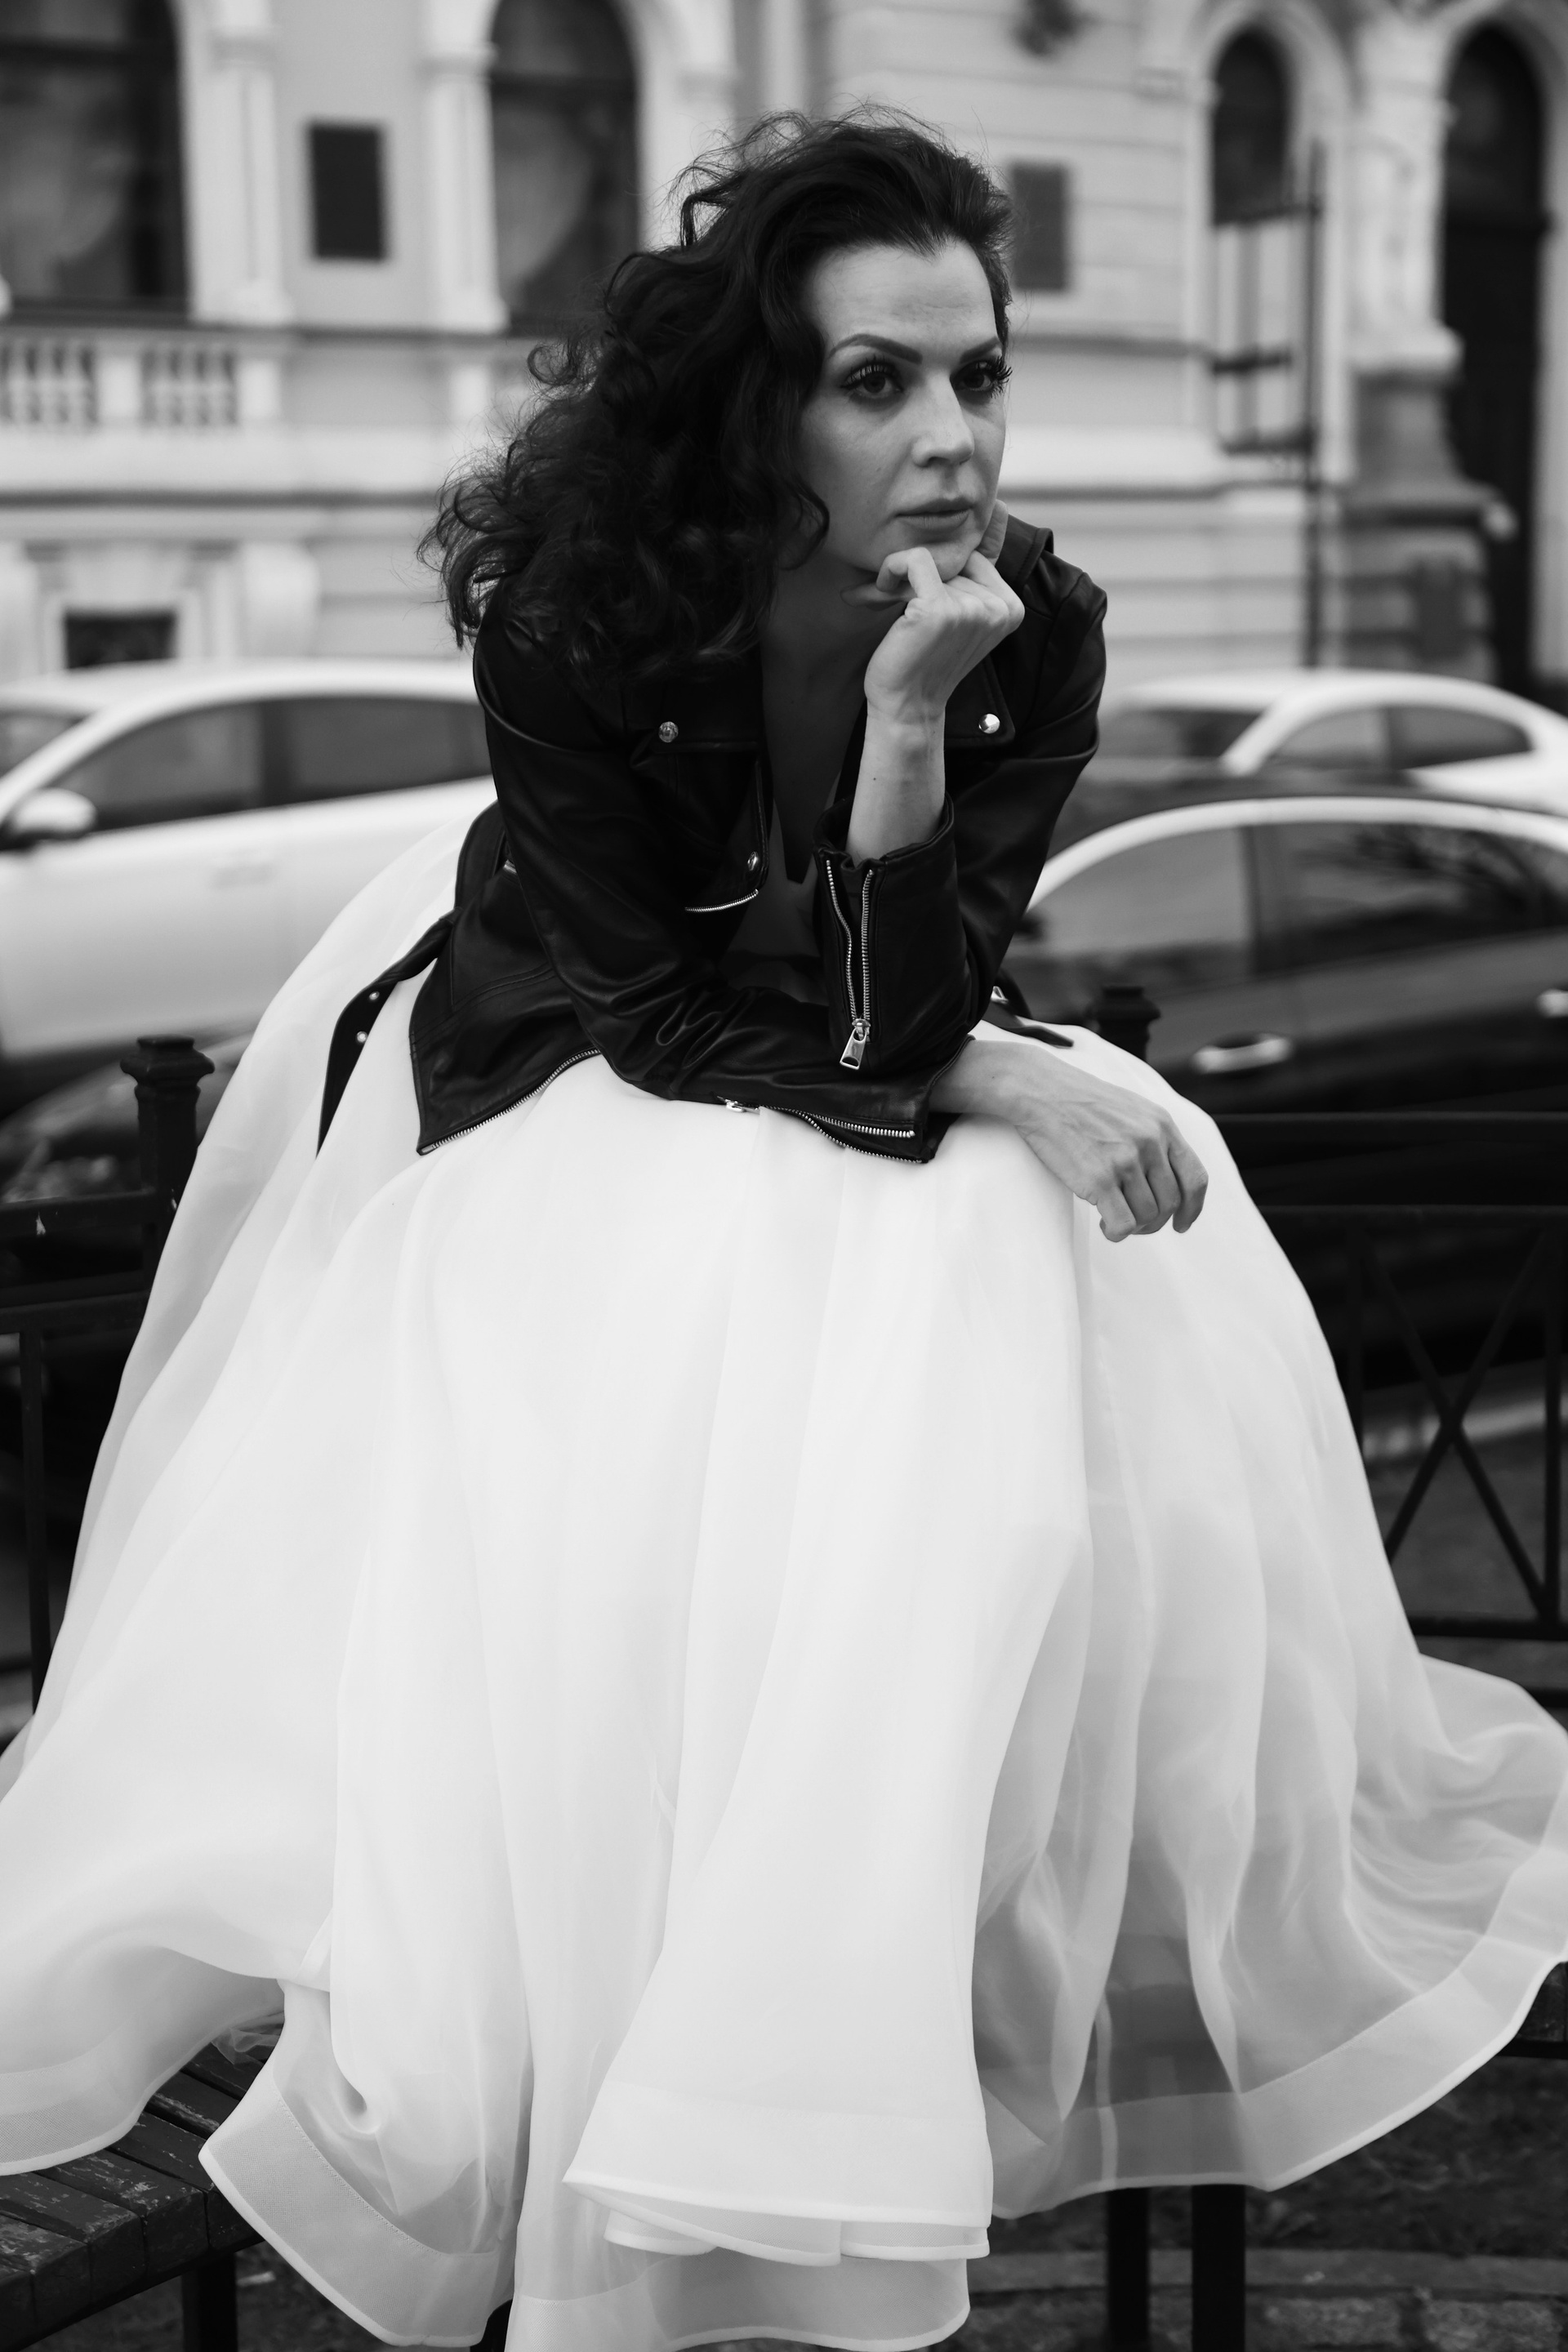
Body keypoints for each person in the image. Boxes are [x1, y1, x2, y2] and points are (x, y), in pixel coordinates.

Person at [1, 113, 1566, 2352]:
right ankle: (698, 1972)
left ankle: (881, 1940)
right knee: (881, 1225)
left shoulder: (1037, 625)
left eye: (979, 375)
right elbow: (650, 1014)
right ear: (761, 404)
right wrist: (991, 1074)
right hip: (572, 1050)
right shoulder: (579, 610)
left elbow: (899, 1003)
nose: (952, 437)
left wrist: (914, 729)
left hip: (834, 1021)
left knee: (992, 1247)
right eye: (876, 382)